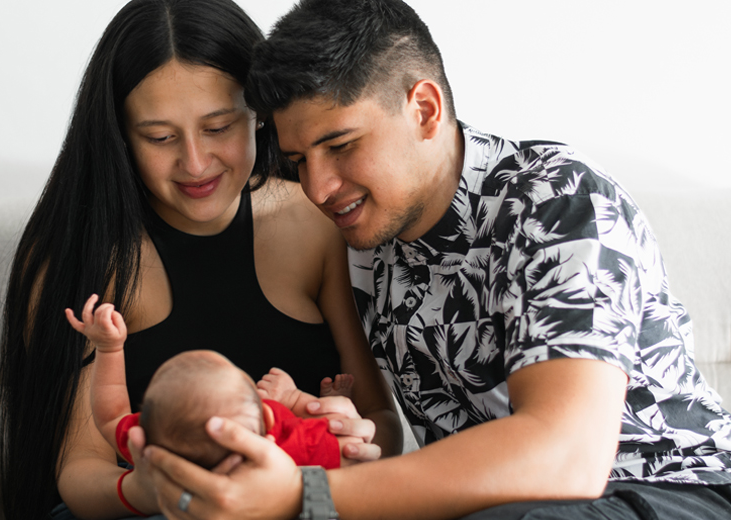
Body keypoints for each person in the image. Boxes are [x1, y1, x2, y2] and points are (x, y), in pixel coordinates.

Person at [139, 0, 731, 519]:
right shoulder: (368, 246)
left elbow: (567, 459)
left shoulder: (557, 201)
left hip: (668, 489)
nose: (317, 188)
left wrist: (306, 493)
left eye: (340, 146)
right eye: (298, 161)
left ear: (424, 109)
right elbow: (395, 444)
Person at [0, 0, 402, 519]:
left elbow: (381, 420)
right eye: (160, 137)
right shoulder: (87, 251)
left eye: (218, 127)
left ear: (259, 117)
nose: (195, 162)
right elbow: (80, 471)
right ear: (120, 135)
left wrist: (360, 443)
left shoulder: (312, 220)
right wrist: (150, 491)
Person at [65, 294, 358, 472]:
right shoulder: (283, 441)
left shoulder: (156, 451)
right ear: (266, 412)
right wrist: (297, 400)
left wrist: (109, 349)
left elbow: (110, 413)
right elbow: (348, 441)